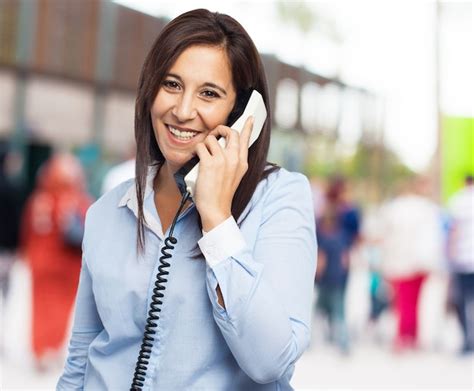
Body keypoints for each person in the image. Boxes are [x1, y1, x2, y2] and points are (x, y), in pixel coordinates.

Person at [57, 9, 317, 390]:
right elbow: (81, 358)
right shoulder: (107, 213)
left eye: (209, 93)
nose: (181, 110)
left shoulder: (279, 198)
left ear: (243, 112)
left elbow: (271, 363)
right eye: (172, 85)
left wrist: (217, 220)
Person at [22, 153, 92, 370]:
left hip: (40, 262)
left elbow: (27, 232)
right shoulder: (78, 200)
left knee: (40, 306)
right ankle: (50, 347)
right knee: (60, 308)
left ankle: (40, 348)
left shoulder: (37, 200)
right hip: (67, 265)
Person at [378, 176, 443, 352]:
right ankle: (412, 336)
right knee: (414, 302)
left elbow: (387, 235)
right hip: (421, 263)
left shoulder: (395, 208)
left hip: (401, 263)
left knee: (403, 303)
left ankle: (403, 337)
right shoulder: (428, 209)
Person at [315, 176, 360, 353]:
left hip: (326, 277)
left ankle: (333, 335)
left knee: (323, 306)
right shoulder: (342, 230)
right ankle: (341, 340)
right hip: (339, 275)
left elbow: (321, 257)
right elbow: (345, 255)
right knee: (339, 306)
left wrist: (317, 273)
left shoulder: (324, 228)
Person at [447, 175, 474, 355]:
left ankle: (466, 339)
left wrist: (450, 252)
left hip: (463, 259)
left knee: (462, 301)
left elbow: (453, 229)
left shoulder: (457, 200)